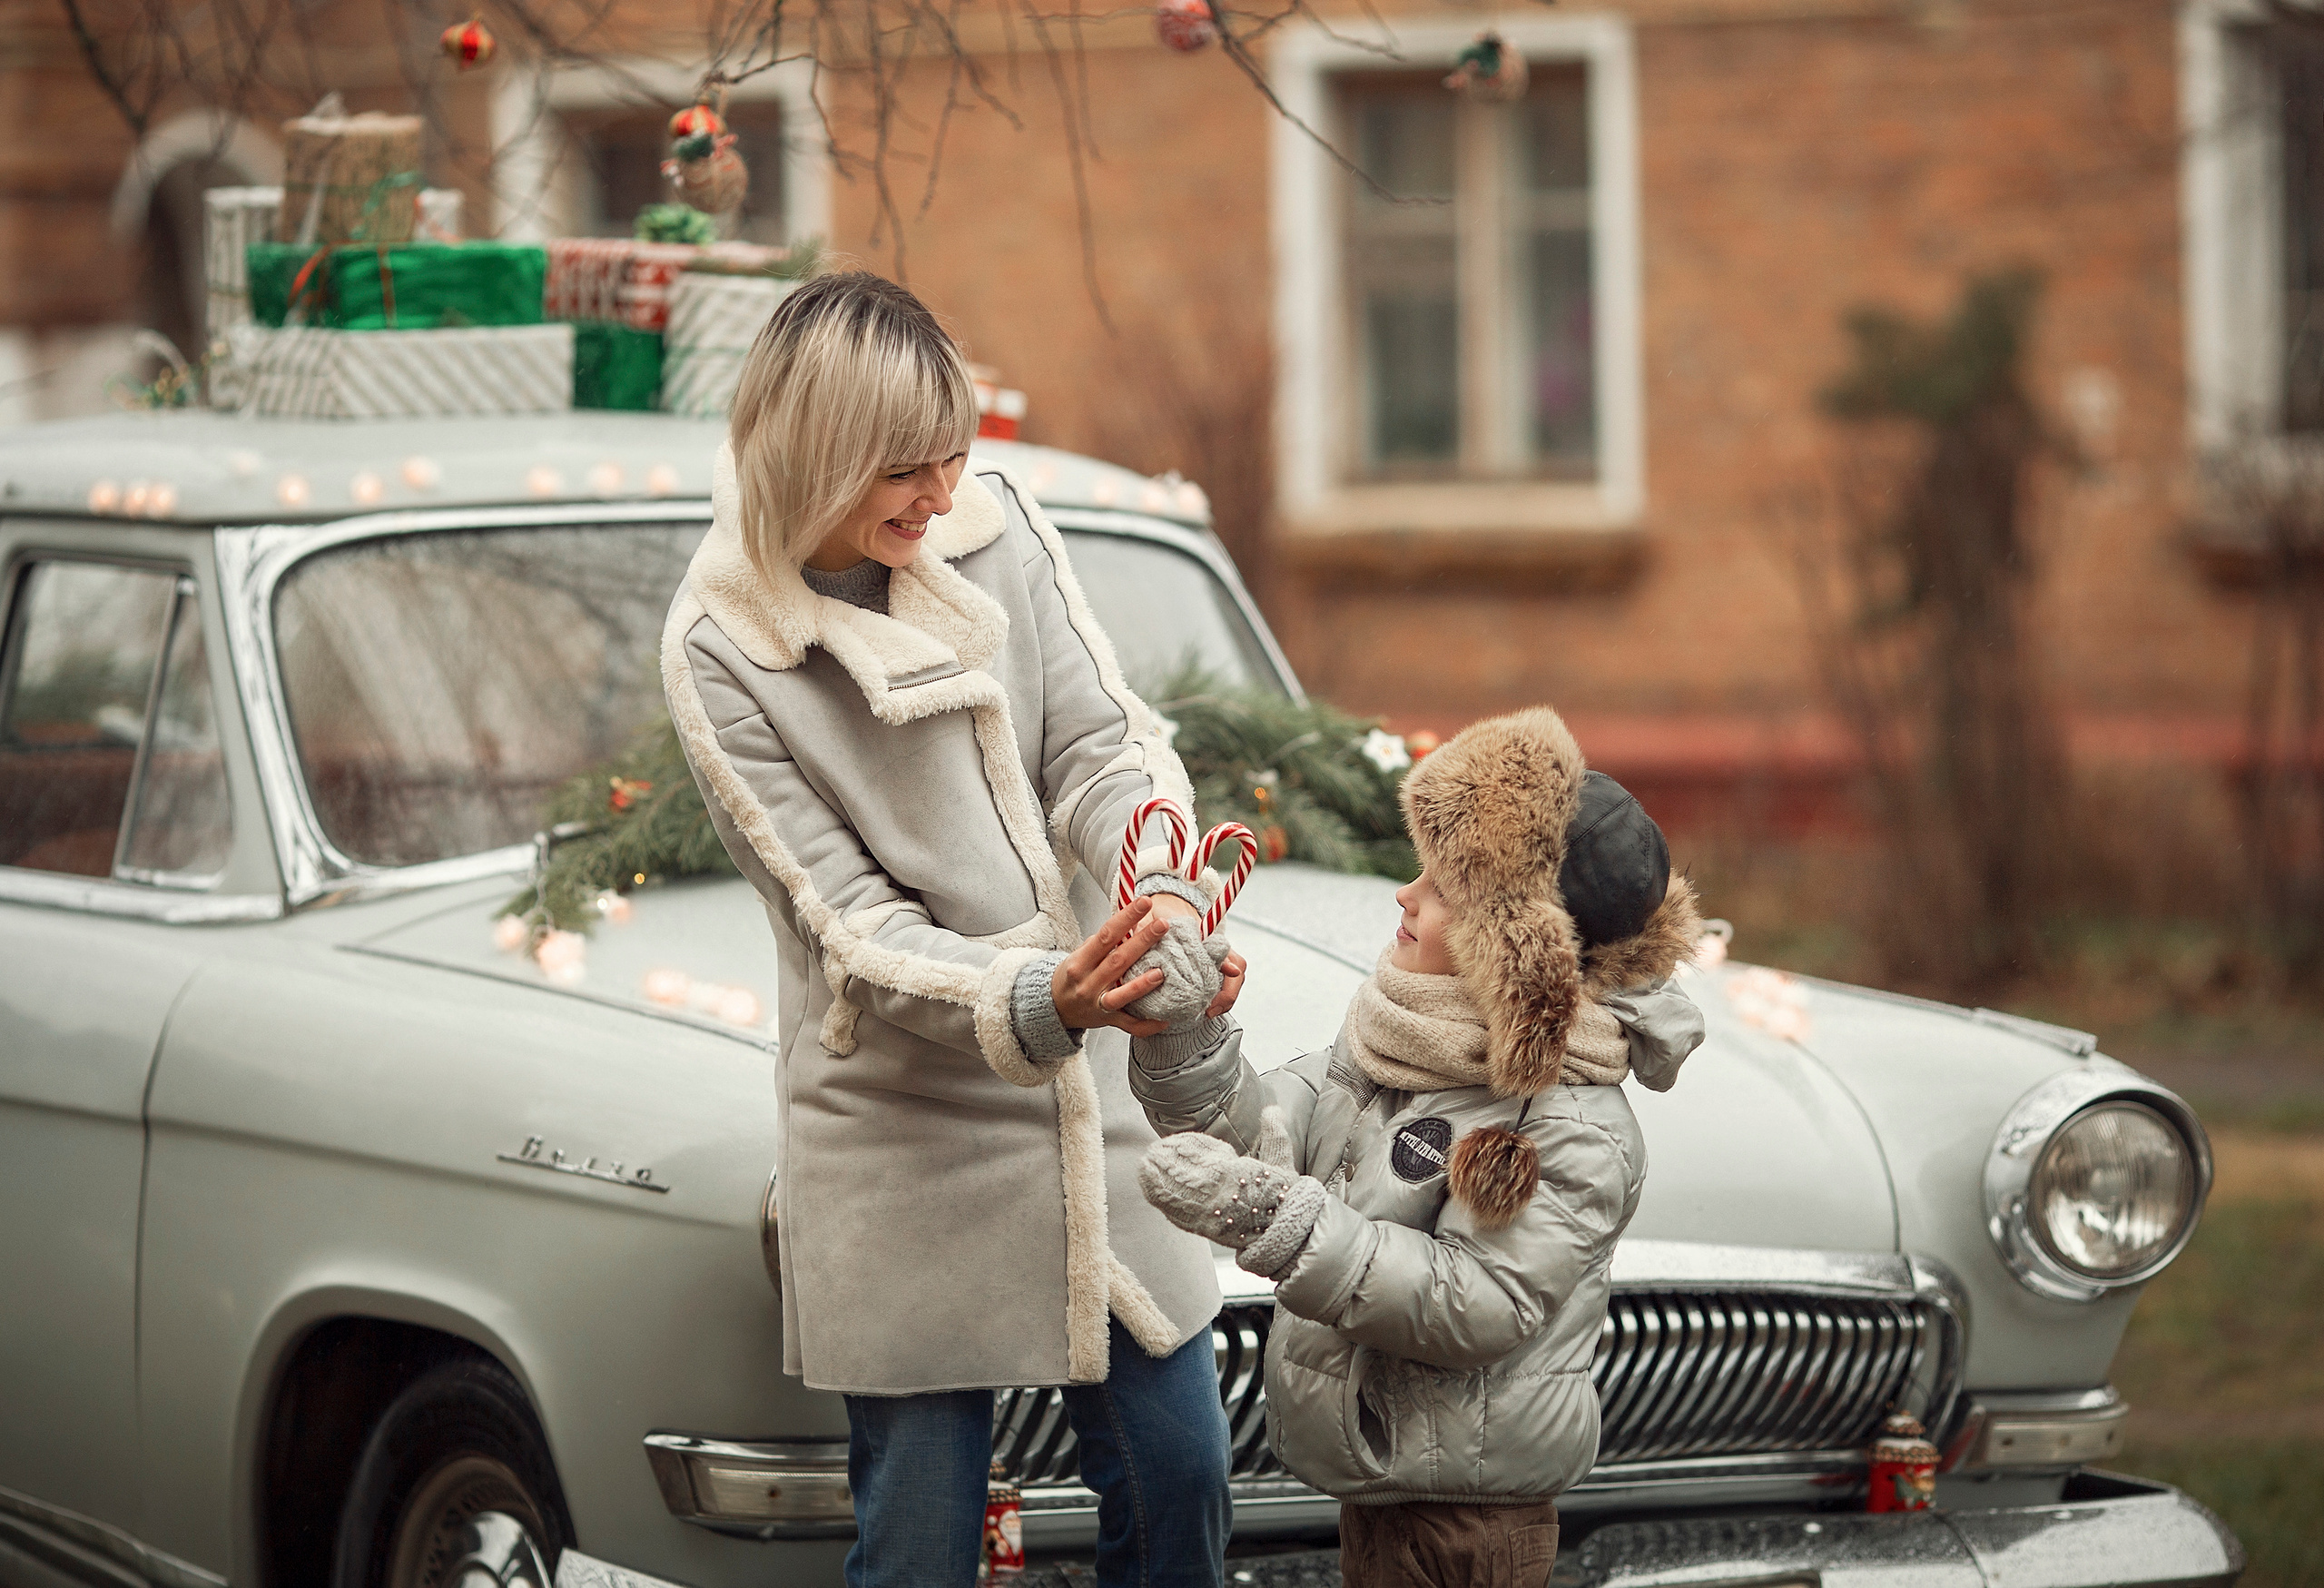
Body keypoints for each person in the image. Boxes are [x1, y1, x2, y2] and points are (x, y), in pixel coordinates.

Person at [662, 271, 1240, 1588]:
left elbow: (1101, 738)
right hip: (900, 1127)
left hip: (1090, 1097)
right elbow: (845, 924)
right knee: (918, 1541)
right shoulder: (720, 647)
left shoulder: (994, 524)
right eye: (904, 475)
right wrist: (1043, 994)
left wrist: (1156, 864)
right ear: (820, 457)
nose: (938, 499)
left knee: (1184, 1469)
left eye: (952, 460)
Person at [1128, 706, 1708, 1588]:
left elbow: (1479, 1302)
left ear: (1511, 950)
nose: (1403, 895)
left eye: (1440, 889)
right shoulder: (1398, 1046)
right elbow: (1257, 1131)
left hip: (1471, 1521)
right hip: (1388, 1485)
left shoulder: (1565, 1123)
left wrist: (1282, 1221)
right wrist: (1182, 1033)